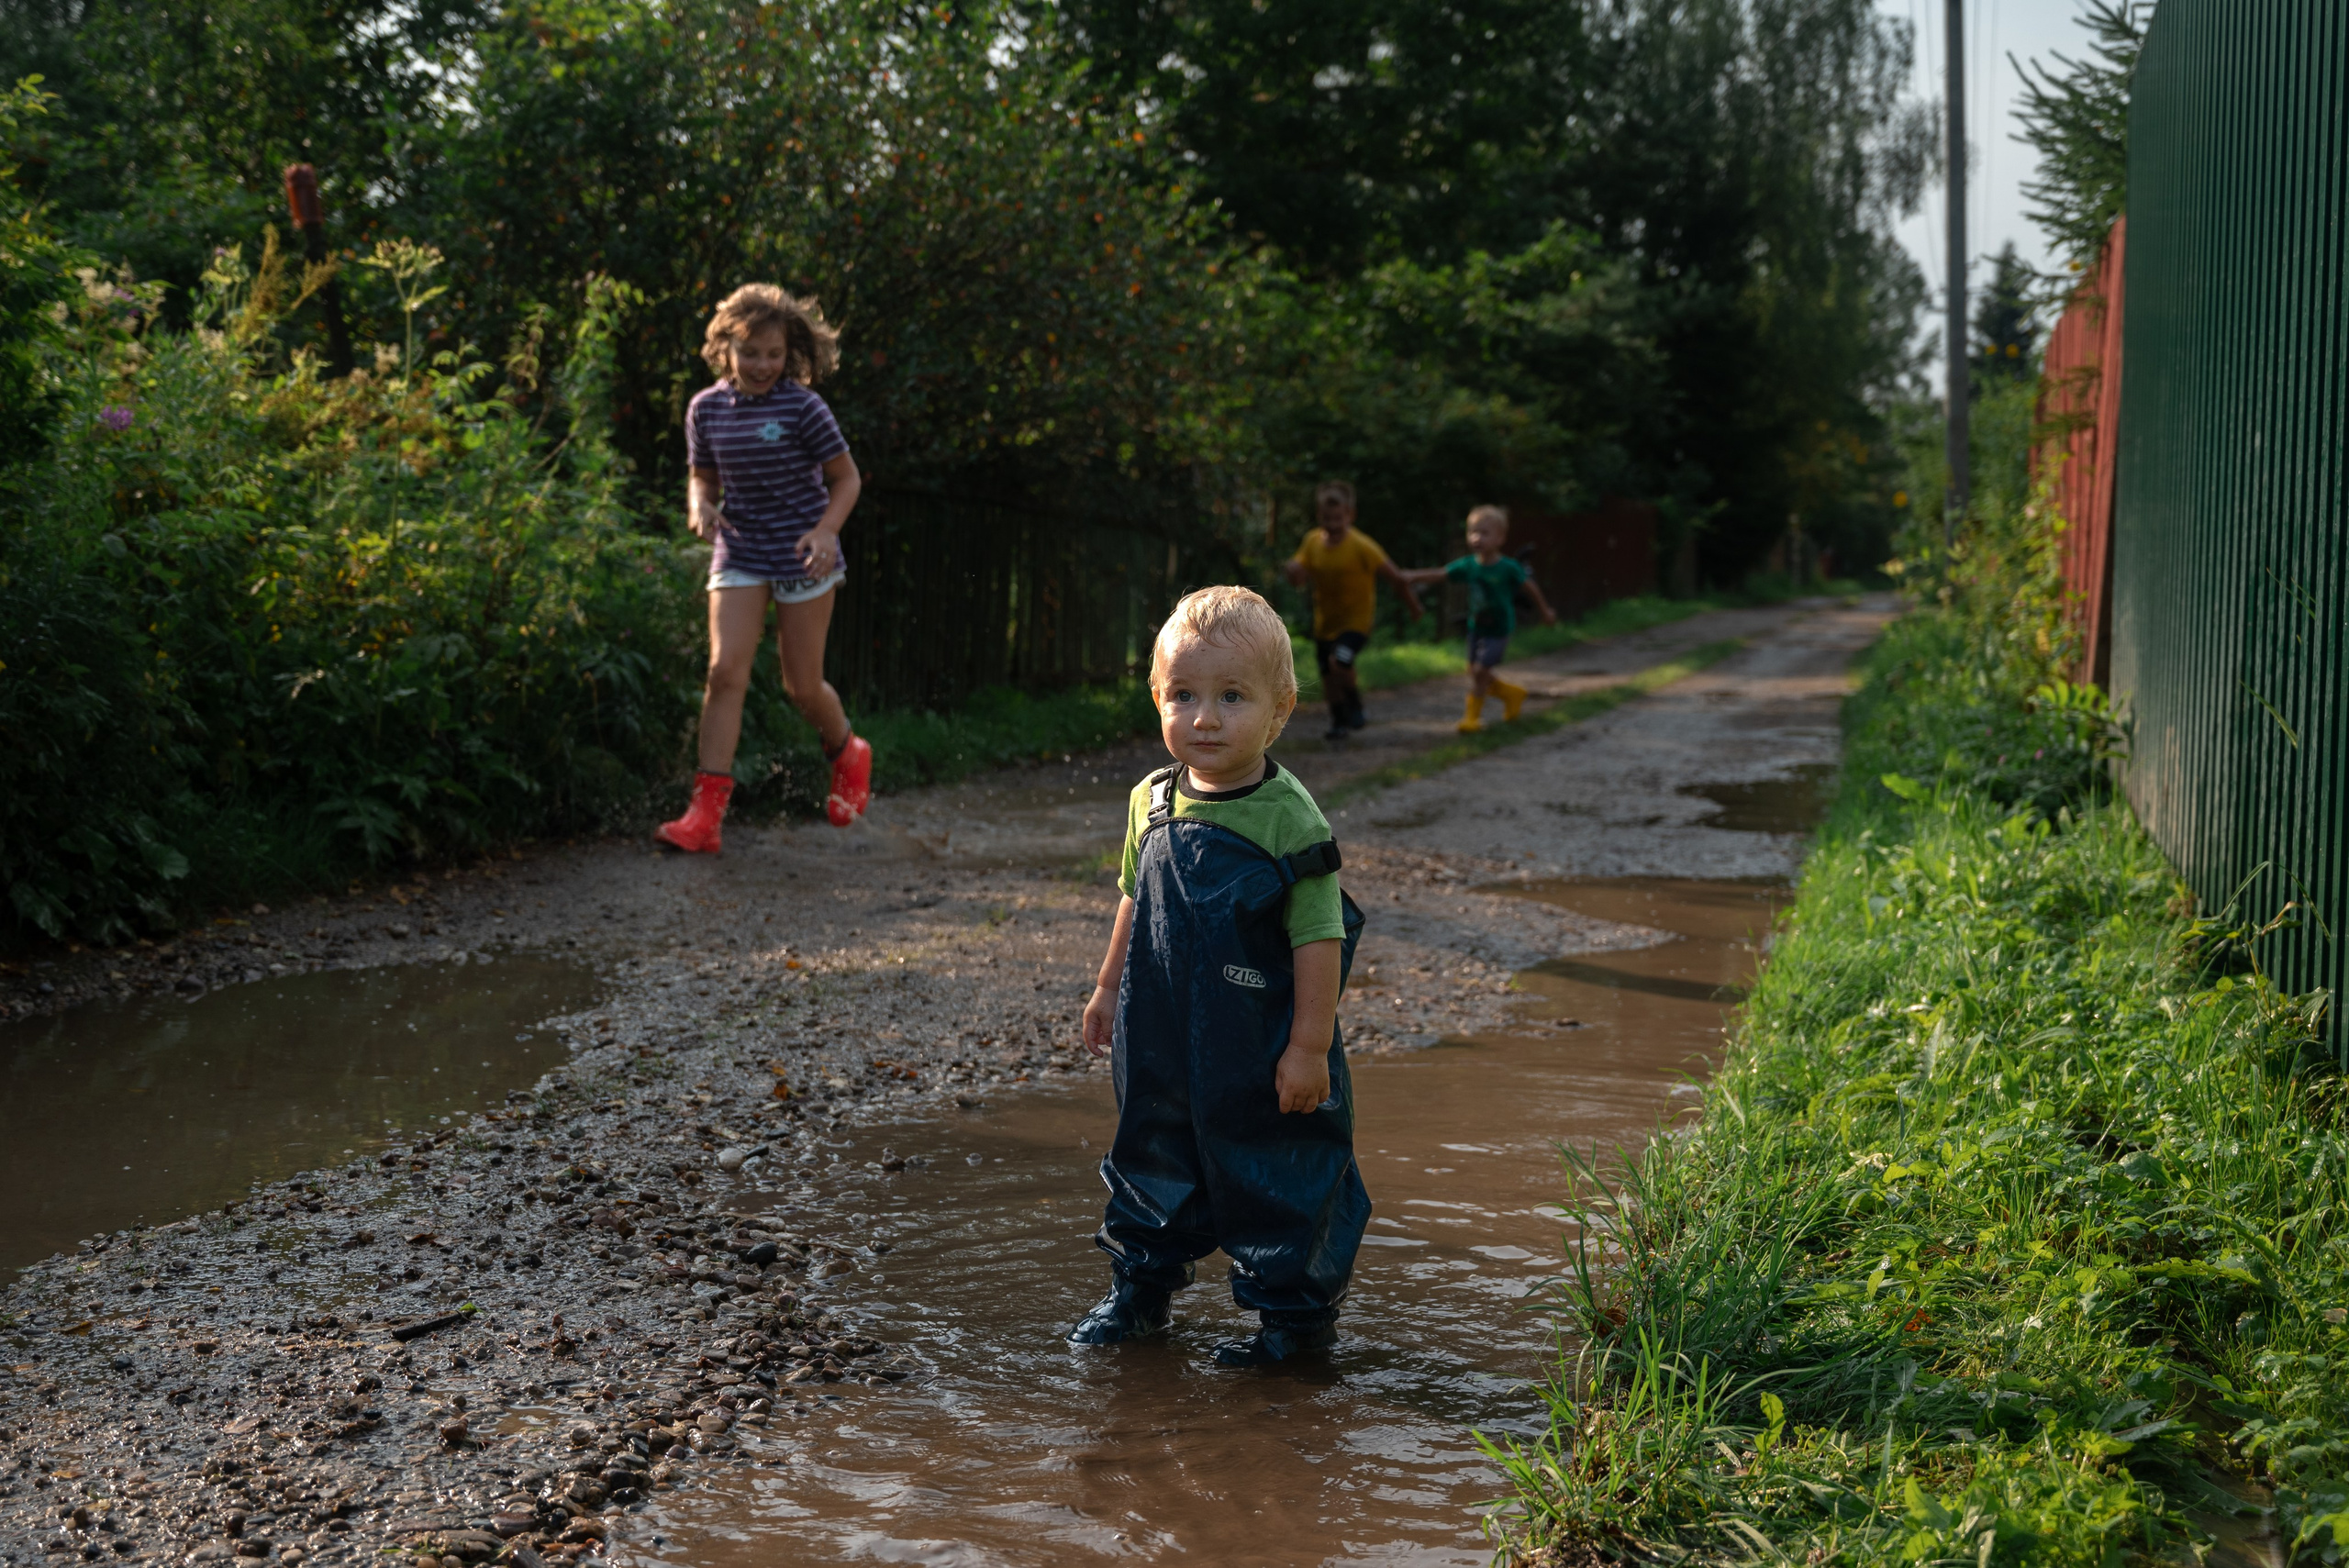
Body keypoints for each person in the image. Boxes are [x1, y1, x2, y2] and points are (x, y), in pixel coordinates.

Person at [1070, 585, 1370, 1367]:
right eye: (1184, 695)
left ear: (1280, 709)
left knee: (1277, 1165)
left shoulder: (1288, 818)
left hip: (1262, 1039)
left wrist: (1308, 1048)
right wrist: (1107, 989)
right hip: (1163, 1030)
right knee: (1151, 1148)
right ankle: (1141, 1291)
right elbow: (1134, 901)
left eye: (1232, 697)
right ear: (1157, 699)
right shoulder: (1153, 801)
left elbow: (1320, 936)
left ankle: (1293, 1325)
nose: (1204, 717)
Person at [655, 284, 874, 853]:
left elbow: (846, 478)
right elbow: (701, 476)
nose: (762, 365)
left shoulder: (803, 406)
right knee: (724, 673)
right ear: (725, 346)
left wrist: (826, 530)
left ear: (789, 353)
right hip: (741, 550)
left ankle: (848, 750)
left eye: (773, 354)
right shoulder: (705, 409)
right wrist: (698, 504)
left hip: (804, 553)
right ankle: (704, 818)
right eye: (750, 352)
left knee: (801, 686)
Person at [1280, 482, 1425, 741]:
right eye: (1326, 518)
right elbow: (1299, 578)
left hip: (1357, 622)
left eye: (1338, 519)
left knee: (1341, 662)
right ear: (1318, 516)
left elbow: (1397, 578)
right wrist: (1291, 571)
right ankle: (1339, 721)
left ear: (1350, 515)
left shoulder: (1363, 546)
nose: (1332, 524)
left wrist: (1414, 607)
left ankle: (1355, 705)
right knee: (1328, 675)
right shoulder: (1312, 542)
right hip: (1325, 623)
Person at [1400, 505, 1558, 733]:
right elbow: (1441, 574)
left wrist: (1545, 610)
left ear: (1500, 538)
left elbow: (1529, 586)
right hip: (1477, 628)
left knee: (1481, 672)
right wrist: (1412, 577)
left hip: (1500, 629)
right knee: (1474, 671)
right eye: (1472, 532)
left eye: (1484, 533)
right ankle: (1512, 694)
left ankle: (1471, 718)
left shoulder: (1508, 568)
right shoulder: (1468, 566)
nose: (1477, 538)